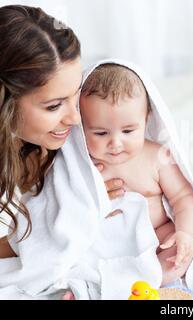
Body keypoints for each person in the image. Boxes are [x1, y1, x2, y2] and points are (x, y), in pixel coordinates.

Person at [0, 5, 125, 259]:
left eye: (76, 92)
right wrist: (54, 227)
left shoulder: (40, 146)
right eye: (54, 105)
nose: (76, 118)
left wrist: (76, 201)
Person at [79, 63, 193, 287]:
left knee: (177, 252)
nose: (115, 142)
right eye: (100, 132)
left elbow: (183, 197)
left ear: (147, 119)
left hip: (155, 239)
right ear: (82, 126)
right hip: (105, 246)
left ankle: (146, 280)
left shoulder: (156, 157)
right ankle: (94, 286)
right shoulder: (82, 164)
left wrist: (185, 233)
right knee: (76, 254)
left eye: (128, 131)